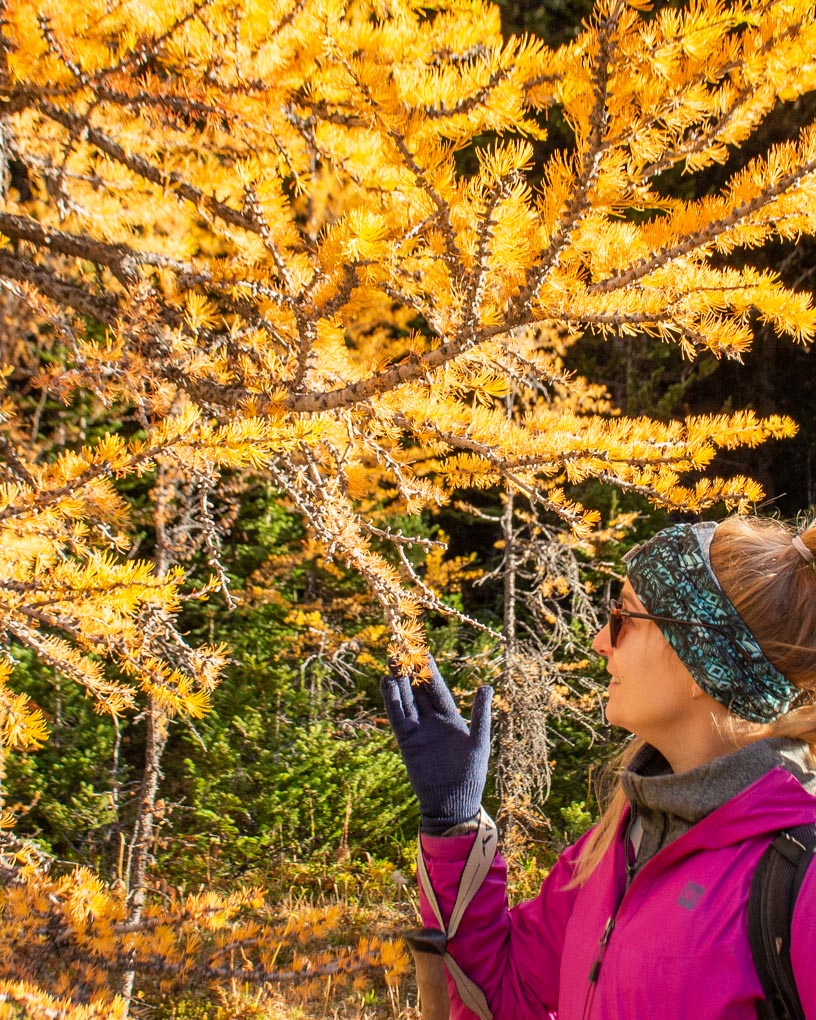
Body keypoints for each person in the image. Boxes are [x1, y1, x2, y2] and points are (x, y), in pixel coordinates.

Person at [381, 516, 816, 1019]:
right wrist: (452, 819)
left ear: (700, 661)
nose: (600, 641)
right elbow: (502, 995)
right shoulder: (616, 847)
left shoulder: (799, 882)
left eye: (624, 618)